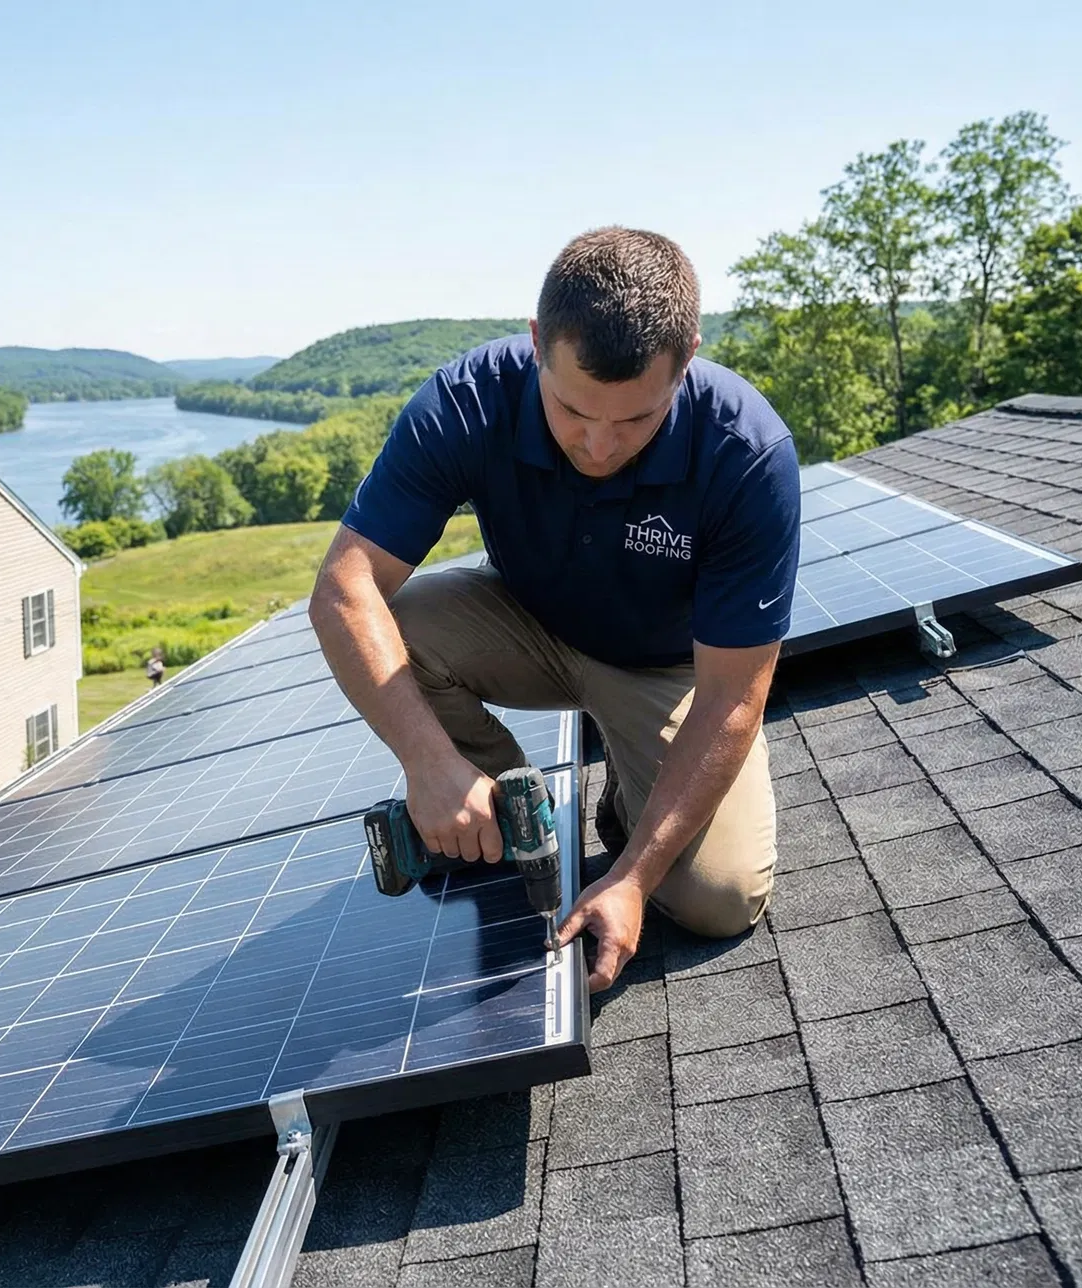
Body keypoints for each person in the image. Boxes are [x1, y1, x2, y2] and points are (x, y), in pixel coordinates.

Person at [309, 226, 798, 993]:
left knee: (718, 898)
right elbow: (344, 586)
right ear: (538, 342)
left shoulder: (746, 452)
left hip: (667, 666)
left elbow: (736, 694)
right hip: (530, 622)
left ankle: (625, 810)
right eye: (572, 410)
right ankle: (505, 817)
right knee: (388, 628)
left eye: (636, 419)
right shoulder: (468, 401)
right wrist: (429, 763)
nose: (599, 446)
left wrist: (634, 877)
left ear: (689, 357)